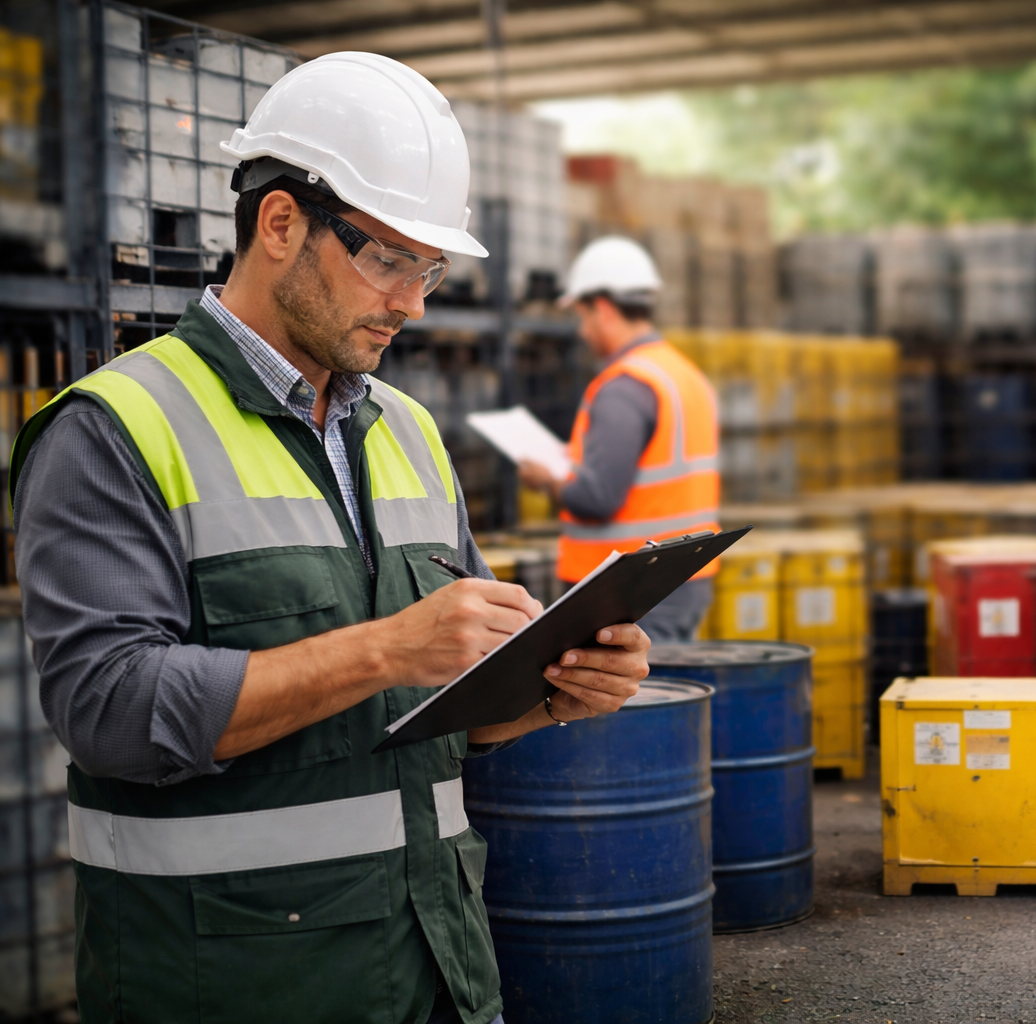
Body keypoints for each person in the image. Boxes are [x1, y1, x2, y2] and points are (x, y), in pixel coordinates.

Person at [11, 53, 650, 1024]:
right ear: (279, 225)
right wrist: (388, 645)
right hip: (237, 985)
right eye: (388, 260)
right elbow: (107, 711)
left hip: (434, 967)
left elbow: (444, 714)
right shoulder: (114, 429)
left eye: (427, 268)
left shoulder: (408, 432)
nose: (415, 301)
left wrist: (551, 694)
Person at [518, 237, 720, 642]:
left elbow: (597, 498)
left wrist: (546, 479)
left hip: (630, 588)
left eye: (583, 315)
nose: (583, 330)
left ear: (605, 309)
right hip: (680, 575)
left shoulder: (624, 387)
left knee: (634, 704)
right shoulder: (681, 374)